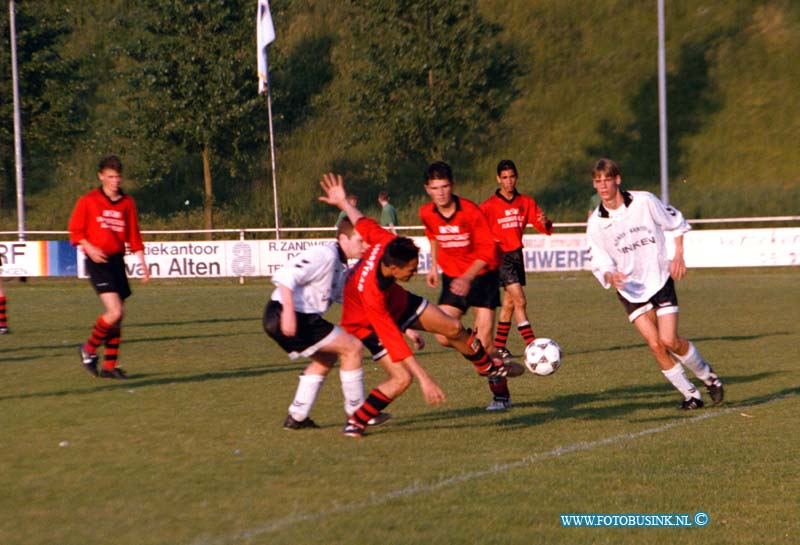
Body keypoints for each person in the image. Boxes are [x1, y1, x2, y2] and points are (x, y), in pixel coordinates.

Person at [319, 173, 523, 438]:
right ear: (393, 267)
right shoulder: (371, 294)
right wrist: (425, 380)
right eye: (411, 270)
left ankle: (486, 366)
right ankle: (356, 422)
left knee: (452, 327)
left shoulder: (386, 241)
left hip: (398, 301)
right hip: (365, 324)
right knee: (402, 379)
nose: (414, 273)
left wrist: (343, 202)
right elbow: (398, 346)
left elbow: (361, 221)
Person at [586, 158, 724, 409]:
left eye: (607, 180)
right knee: (655, 345)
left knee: (670, 340)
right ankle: (691, 394)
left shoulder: (644, 201)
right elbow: (599, 263)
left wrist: (679, 254)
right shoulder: (596, 223)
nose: (603, 186)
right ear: (594, 185)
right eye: (598, 181)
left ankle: (708, 376)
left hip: (659, 278)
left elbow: (677, 222)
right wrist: (610, 276)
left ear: (618, 179)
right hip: (630, 290)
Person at [263, 218, 389, 430]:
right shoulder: (326, 254)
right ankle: (358, 413)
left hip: (293, 316)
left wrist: (398, 325)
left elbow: (350, 299)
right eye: (360, 240)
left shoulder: (339, 264)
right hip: (289, 314)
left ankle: (297, 416)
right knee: (353, 348)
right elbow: (286, 275)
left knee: (326, 358)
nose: (365, 246)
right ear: (343, 239)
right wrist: (288, 314)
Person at [419, 161, 513, 412]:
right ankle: (484, 354)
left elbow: (487, 250)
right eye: (435, 187)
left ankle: (501, 396)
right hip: (452, 276)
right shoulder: (426, 212)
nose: (440, 192)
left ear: (453, 186)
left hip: (483, 276)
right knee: (442, 335)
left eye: (445, 186)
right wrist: (433, 266)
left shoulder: (470, 211)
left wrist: (467, 278)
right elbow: (433, 235)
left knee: (485, 343)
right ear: (427, 189)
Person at [68, 155, 149, 379]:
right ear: (101, 176)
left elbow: (134, 234)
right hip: (97, 262)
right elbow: (75, 231)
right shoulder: (89, 201)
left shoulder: (127, 203)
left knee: (119, 317)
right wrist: (89, 248)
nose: (115, 181)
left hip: (116, 261)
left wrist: (143, 263)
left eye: (118, 177)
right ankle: (88, 349)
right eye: (110, 176)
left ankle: (109, 366)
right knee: (115, 312)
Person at [481, 160, 553, 365]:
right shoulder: (488, 206)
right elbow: (477, 229)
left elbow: (541, 224)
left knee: (510, 304)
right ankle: (533, 347)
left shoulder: (525, 202)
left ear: (516, 177)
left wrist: (545, 222)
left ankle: (499, 347)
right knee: (521, 300)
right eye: (504, 177)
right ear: (498, 179)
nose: (508, 181)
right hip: (501, 257)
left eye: (511, 176)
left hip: (516, 255)